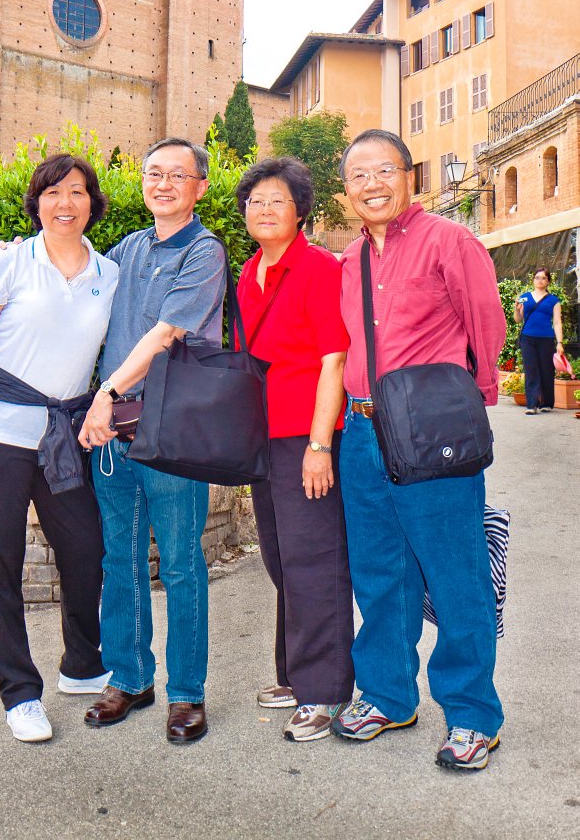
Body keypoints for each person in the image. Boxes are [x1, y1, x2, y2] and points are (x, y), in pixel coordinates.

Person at [330, 129, 506, 772]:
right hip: (360, 430)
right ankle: (387, 694)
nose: (371, 184)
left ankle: (470, 714)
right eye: (358, 175)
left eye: (385, 170)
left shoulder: (448, 240)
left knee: (455, 572)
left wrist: (473, 399)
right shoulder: (349, 260)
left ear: (410, 177)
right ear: (346, 189)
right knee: (379, 573)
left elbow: (485, 319)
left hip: (432, 430)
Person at [0, 154, 118, 743]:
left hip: (64, 440)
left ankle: (82, 664)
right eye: (52, 193)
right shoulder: (11, 263)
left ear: (92, 202)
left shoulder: (108, 272)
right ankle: (19, 693)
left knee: (86, 549)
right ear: (37, 202)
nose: (64, 203)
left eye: (76, 192)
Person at [78, 137, 225, 744]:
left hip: (170, 432)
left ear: (200, 187)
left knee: (184, 564)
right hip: (112, 435)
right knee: (121, 559)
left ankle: (187, 693)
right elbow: (74, 282)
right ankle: (132, 677)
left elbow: (166, 334)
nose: (162, 184)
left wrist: (106, 393)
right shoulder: (126, 250)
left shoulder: (204, 251)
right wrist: (23, 254)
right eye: (152, 173)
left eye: (177, 175)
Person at [235, 158, 353, 743]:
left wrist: (319, 443)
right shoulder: (249, 272)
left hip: (306, 434)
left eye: (276, 200)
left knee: (315, 560)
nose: (263, 209)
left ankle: (325, 690)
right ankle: (295, 674)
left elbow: (334, 357)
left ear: (300, 209)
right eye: (254, 201)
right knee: (282, 558)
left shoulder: (318, 268)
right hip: (264, 438)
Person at [515, 267, 565, 414]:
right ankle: (532, 404)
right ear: (533, 280)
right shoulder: (524, 297)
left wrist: (560, 343)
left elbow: (557, 322)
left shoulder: (554, 300)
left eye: (543, 278)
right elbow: (518, 320)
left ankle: (547, 403)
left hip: (546, 339)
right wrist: (517, 309)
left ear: (548, 281)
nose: (540, 280)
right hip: (527, 338)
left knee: (546, 370)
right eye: (537, 277)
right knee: (531, 370)